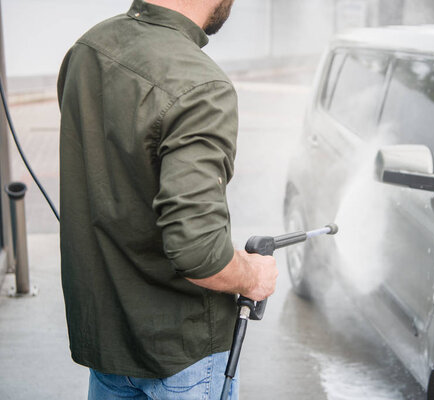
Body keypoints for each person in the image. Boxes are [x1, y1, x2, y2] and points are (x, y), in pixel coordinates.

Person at [57, 0, 278, 398]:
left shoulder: (87, 49)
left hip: (108, 346)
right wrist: (252, 275)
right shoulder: (201, 85)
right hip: (182, 356)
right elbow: (198, 253)